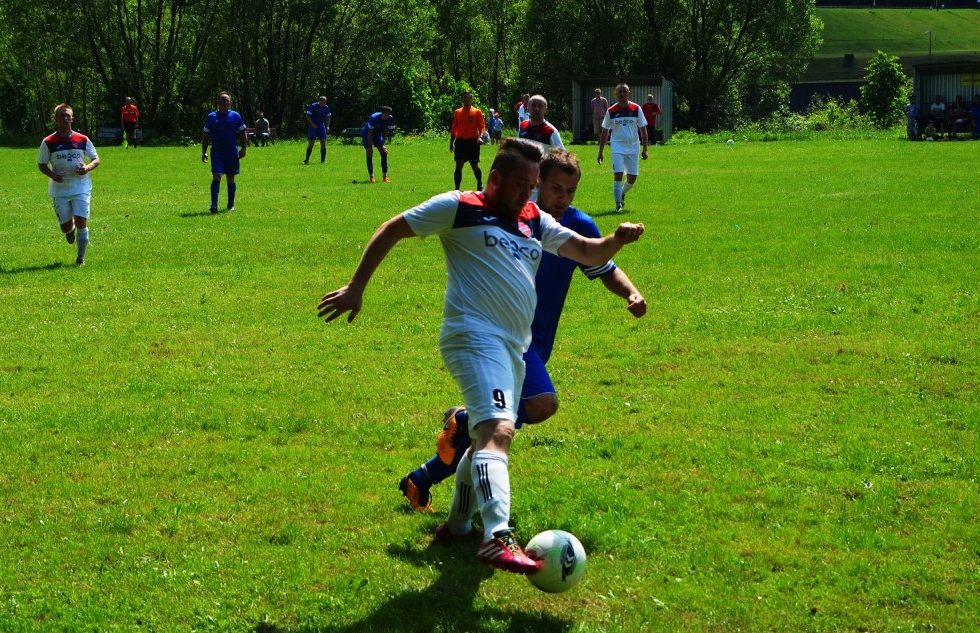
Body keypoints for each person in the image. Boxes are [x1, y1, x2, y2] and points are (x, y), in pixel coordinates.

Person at [317, 138, 645, 575]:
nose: (529, 193)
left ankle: (457, 525)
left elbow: (588, 252)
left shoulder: (534, 219)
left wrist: (617, 239)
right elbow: (393, 228)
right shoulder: (460, 206)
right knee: (498, 431)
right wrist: (356, 286)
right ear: (495, 179)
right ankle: (497, 535)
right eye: (523, 184)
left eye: (533, 185)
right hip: (473, 337)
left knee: (484, 440)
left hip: (514, 347)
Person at [399, 148, 647, 515]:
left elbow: (601, 265)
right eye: (555, 188)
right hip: (503, 335)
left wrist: (631, 292)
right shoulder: (514, 217)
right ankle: (486, 516)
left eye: (571, 191)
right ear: (537, 184)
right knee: (538, 406)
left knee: (494, 429)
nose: (562, 198)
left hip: (537, 339)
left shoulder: (576, 225)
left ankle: (425, 482)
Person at [37, 103, 101, 266]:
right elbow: (42, 164)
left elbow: (96, 159)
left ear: (72, 119)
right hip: (60, 189)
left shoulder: (82, 139)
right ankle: (69, 230)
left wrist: (87, 168)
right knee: (65, 227)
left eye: (68, 115)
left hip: (81, 186)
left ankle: (80, 258)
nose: (65, 118)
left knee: (81, 221)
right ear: (56, 119)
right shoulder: (48, 141)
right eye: (62, 115)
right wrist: (53, 175)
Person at [598, 83, 649, 212]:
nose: (622, 94)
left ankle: (620, 193)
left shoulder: (636, 109)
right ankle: (618, 206)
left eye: (624, 91)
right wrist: (600, 152)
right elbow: (605, 132)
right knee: (618, 174)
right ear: (615, 94)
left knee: (632, 178)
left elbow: (643, 130)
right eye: (619, 92)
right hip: (617, 146)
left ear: (629, 93)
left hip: (633, 146)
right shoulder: (611, 111)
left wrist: (645, 149)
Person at [201, 91, 247, 214]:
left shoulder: (235, 116)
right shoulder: (211, 117)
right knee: (216, 176)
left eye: (227, 100)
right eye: (222, 100)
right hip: (217, 153)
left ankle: (230, 205)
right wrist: (204, 152)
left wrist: (243, 149)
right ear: (218, 102)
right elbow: (205, 135)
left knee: (230, 179)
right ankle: (214, 205)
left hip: (231, 153)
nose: (225, 102)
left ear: (230, 103)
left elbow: (243, 133)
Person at [449, 91, 486, 191]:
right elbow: (454, 128)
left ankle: (479, 184)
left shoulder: (477, 112)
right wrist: (451, 143)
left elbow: (482, 127)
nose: (466, 99)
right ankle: (457, 188)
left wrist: (481, 137)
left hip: (473, 141)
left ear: (471, 99)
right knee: (459, 164)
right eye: (465, 97)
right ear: (462, 99)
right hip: (460, 141)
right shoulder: (458, 112)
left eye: (468, 98)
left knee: (474, 165)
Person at [362, 106, 396, 182]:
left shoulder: (390, 118)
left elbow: (386, 131)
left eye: (388, 114)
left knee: (384, 152)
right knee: (369, 152)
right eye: (385, 114)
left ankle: (385, 176)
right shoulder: (374, 117)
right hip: (367, 134)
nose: (387, 116)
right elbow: (369, 133)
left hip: (377, 135)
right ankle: (371, 177)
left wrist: (383, 144)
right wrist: (370, 147)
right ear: (382, 113)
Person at [304, 95, 331, 164]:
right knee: (311, 143)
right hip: (313, 126)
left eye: (324, 103)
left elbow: (328, 117)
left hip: (321, 126)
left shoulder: (326, 107)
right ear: (319, 101)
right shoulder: (313, 106)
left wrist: (327, 126)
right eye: (321, 102)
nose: (323, 104)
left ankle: (323, 160)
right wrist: (312, 124)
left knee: (323, 142)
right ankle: (306, 160)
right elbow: (307, 116)